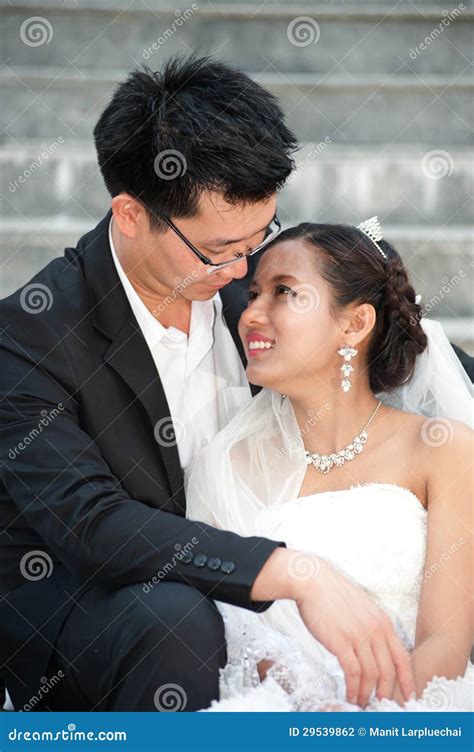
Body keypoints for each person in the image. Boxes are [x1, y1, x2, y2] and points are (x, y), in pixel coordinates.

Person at [0, 56, 415, 712]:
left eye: (262, 234)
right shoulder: (29, 335)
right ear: (131, 215)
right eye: (221, 249)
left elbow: (382, 343)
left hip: (258, 594)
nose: (247, 267)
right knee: (175, 619)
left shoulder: (246, 273)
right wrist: (294, 573)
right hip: (106, 614)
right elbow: (94, 525)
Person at [186, 219, 474, 711]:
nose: (252, 314)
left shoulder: (442, 449)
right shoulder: (222, 466)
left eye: (284, 292)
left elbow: (444, 646)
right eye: (253, 294)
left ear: (355, 323)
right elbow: (237, 634)